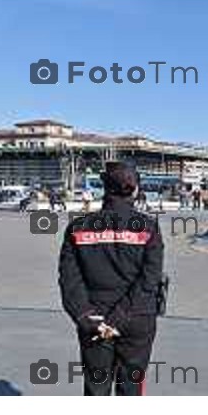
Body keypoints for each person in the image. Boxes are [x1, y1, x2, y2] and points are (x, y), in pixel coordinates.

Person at [59, 161, 164, 396]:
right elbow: (149, 281)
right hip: (137, 320)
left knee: (96, 388)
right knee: (131, 388)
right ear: (135, 189)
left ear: (104, 188)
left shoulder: (77, 227)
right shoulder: (148, 227)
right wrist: (118, 319)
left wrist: (87, 318)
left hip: (94, 320)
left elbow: (69, 282)